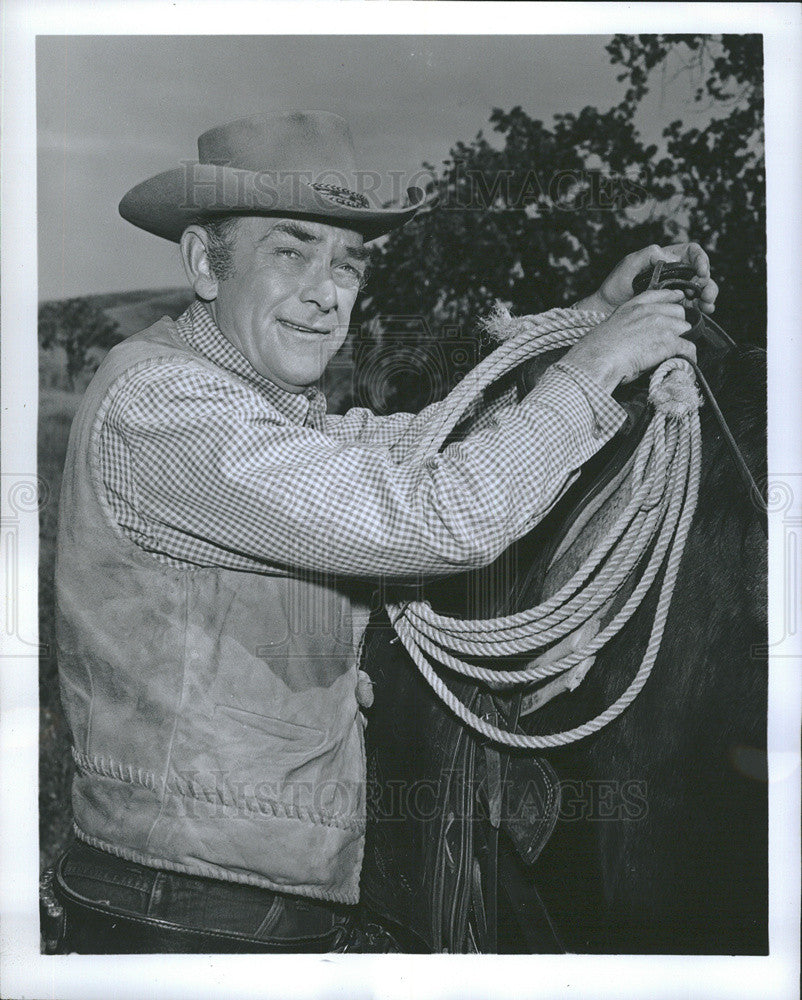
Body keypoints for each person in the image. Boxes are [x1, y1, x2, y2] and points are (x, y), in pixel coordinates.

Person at [50, 111, 718, 953]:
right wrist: (597, 370)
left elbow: (422, 447)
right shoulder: (167, 407)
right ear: (202, 263)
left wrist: (586, 322)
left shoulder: (253, 408)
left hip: (230, 897)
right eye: (290, 253)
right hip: (188, 912)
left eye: (348, 263)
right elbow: (434, 514)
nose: (325, 292)